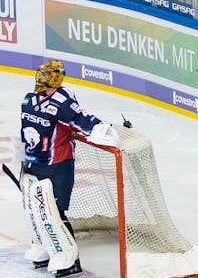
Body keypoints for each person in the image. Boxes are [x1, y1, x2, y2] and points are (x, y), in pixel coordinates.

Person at [17, 60, 116, 277]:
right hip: (34, 164)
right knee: (35, 210)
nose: (41, 78)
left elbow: (84, 120)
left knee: (55, 212)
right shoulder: (28, 100)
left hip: (58, 166)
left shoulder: (63, 102)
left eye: (47, 74)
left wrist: (102, 129)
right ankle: (45, 248)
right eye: (41, 73)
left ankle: (70, 259)